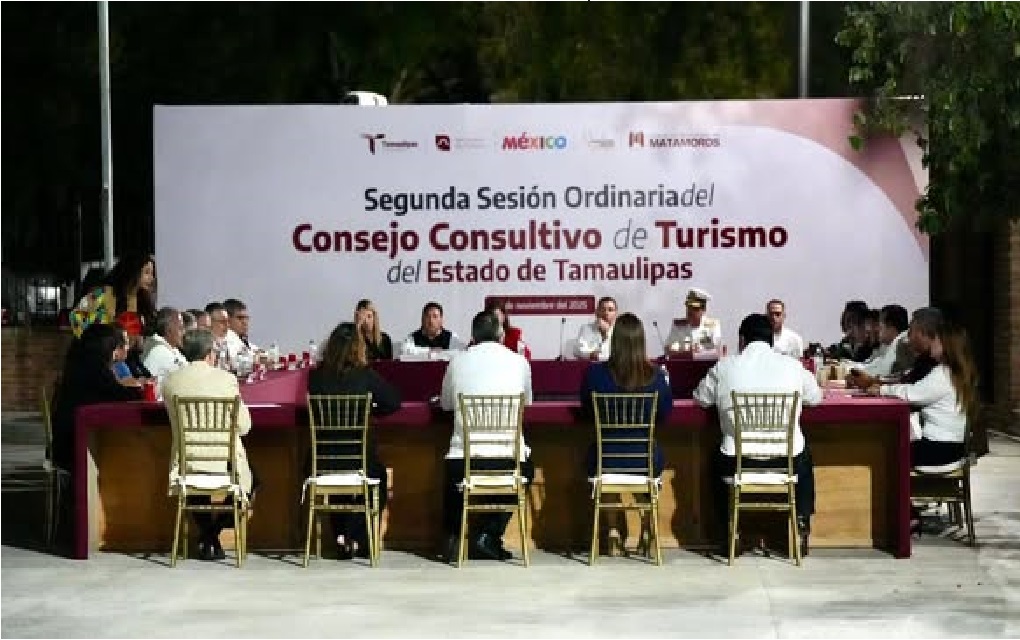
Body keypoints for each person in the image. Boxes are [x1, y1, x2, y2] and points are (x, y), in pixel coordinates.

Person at [693, 313, 823, 554]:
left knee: (714, 458)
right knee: (804, 455)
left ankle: (729, 530)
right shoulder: (793, 367)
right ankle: (801, 522)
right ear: (771, 340)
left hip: (737, 462)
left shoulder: (724, 367)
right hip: (787, 461)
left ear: (742, 340)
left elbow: (700, 398)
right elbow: (816, 397)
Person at [439, 311, 534, 562]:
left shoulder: (457, 362)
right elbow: (527, 401)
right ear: (501, 335)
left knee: (452, 473)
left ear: (472, 336)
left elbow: (446, 404)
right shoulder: (519, 362)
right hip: (509, 460)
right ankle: (487, 533)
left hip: (464, 460)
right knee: (527, 469)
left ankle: (453, 538)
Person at [307, 322, 401, 559]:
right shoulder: (364, 375)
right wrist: (371, 410)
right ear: (358, 348)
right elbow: (393, 401)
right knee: (378, 478)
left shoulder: (315, 377)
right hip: (360, 461)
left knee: (339, 485)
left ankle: (342, 537)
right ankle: (356, 536)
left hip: (323, 461)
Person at [162, 328, 256, 561]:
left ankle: (207, 537)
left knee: (196, 488)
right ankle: (212, 534)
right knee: (253, 481)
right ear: (209, 353)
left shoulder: (171, 382)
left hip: (188, 462)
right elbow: (244, 426)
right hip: (225, 462)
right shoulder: (226, 380)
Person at [866, 308, 975, 465]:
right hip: (949, 447)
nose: (932, 341)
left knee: (886, 452)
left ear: (946, 345)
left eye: (935, 338)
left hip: (940, 448)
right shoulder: (951, 372)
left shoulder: (942, 374)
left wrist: (881, 389)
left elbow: (912, 393)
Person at [580, 313, 671, 479]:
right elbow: (664, 414)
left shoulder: (594, 374)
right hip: (647, 462)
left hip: (603, 461)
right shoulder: (657, 377)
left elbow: (587, 412)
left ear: (614, 341)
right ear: (642, 342)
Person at [51, 324, 143, 486]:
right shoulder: (94, 367)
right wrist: (139, 390)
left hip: (67, 440)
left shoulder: (80, 363)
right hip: (77, 445)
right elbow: (119, 395)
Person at [69, 254, 157, 341]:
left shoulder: (143, 300)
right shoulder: (103, 292)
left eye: (152, 273)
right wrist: (100, 333)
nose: (151, 278)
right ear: (133, 271)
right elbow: (75, 317)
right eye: (147, 272)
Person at [844, 304, 913, 382]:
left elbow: (882, 372)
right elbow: (874, 365)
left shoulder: (902, 343)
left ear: (891, 326)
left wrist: (849, 370)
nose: (877, 329)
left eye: (880, 326)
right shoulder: (891, 344)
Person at [140, 307, 187, 397]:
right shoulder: (157, 351)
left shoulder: (173, 348)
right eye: (181, 328)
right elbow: (148, 385)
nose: (184, 332)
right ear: (168, 330)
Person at [665, 287, 722, 355]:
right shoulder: (678, 326)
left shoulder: (712, 326)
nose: (691, 311)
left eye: (695, 308)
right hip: (683, 361)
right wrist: (686, 352)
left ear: (703, 310)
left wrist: (700, 351)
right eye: (689, 307)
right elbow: (668, 349)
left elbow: (717, 349)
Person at [575, 296, 618, 360]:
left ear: (616, 314)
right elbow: (578, 351)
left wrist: (606, 333)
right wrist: (591, 355)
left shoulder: (620, 331)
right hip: (591, 365)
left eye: (610, 310)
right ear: (597, 312)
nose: (606, 313)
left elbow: (619, 355)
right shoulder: (586, 328)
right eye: (603, 309)